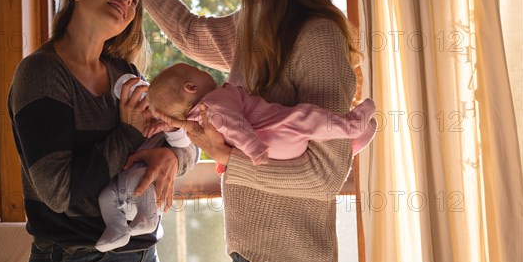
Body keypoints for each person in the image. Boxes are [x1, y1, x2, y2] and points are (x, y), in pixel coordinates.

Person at [97, 0, 365, 262]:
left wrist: (224, 156)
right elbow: (189, 31)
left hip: (292, 260)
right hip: (247, 253)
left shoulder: (317, 39)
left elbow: (325, 175)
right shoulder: (252, 28)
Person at [8, 0, 198, 262]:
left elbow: (189, 144)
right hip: (79, 258)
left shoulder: (126, 73)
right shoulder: (41, 72)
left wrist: (171, 158)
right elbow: (59, 192)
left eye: (135, 0)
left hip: (146, 255)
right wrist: (128, 135)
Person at [147, 62, 377, 166]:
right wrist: (253, 147)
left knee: (309, 129)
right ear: (191, 87)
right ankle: (350, 126)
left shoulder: (197, 121)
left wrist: (168, 124)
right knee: (305, 118)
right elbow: (234, 126)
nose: (204, 72)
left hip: (280, 152)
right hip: (271, 134)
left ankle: (349, 146)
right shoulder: (213, 103)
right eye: (197, 71)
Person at [95, 74, 190, 253]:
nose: (150, 112)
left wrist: (171, 125)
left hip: (148, 188)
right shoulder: (129, 119)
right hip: (121, 185)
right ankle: (116, 228)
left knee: (139, 180)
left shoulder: (168, 124)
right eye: (144, 104)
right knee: (104, 197)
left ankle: (148, 218)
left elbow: (186, 143)